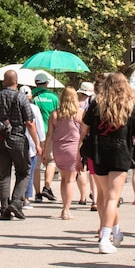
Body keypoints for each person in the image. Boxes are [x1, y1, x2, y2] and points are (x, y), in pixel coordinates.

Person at [79, 72, 135, 254]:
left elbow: (84, 128)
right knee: (112, 198)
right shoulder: (130, 107)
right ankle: (105, 238)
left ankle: (116, 231)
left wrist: (78, 150)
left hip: (99, 153)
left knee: (107, 196)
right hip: (121, 154)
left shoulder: (96, 104)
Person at [0, 70, 40, 220]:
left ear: (4, 81)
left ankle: (4, 209)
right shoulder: (21, 98)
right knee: (24, 172)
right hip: (18, 139)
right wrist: (37, 143)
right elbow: (29, 123)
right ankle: (16, 202)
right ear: (16, 82)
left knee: (4, 175)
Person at [47, 86, 84, 219]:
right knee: (70, 180)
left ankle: (64, 206)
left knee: (64, 179)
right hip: (73, 148)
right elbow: (85, 132)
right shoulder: (79, 113)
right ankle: (66, 210)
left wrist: (46, 152)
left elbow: (49, 134)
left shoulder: (55, 114)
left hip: (58, 149)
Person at [32, 72, 59, 203]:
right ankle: (47, 186)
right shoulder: (54, 97)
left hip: (33, 134)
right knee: (51, 161)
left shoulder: (31, 96)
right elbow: (58, 115)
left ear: (35, 83)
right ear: (47, 83)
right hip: (50, 133)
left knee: (36, 165)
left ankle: (37, 194)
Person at [21, 86, 45, 209]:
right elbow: (39, 126)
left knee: (20, 171)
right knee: (29, 171)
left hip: (16, 143)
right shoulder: (34, 108)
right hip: (31, 143)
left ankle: (19, 196)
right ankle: (26, 198)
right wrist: (40, 143)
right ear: (30, 96)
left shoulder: (15, 106)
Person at [75, 81, 95, 206]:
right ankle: (94, 194)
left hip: (79, 138)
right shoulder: (93, 105)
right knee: (93, 170)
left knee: (82, 168)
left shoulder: (76, 105)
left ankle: (83, 197)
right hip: (91, 138)